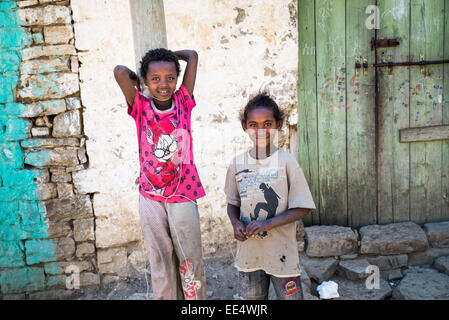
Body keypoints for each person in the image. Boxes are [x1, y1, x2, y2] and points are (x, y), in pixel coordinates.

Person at [113, 48, 206, 300]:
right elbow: (119, 72)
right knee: (160, 259)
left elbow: (193, 56)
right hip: (151, 197)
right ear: (145, 81)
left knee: (190, 258)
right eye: (155, 78)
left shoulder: (184, 101)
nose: (163, 84)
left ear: (177, 78)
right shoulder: (140, 107)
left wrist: (169, 54)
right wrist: (139, 75)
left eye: (170, 77)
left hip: (183, 193)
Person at [224, 92, 316, 300]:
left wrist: (269, 223)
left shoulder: (286, 162)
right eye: (253, 124)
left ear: (279, 125)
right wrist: (235, 223)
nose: (261, 130)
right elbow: (232, 202)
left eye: (267, 124)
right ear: (244, 126)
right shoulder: (237, 163)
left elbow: (303, 207)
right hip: (249, 253)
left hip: (282, 253)